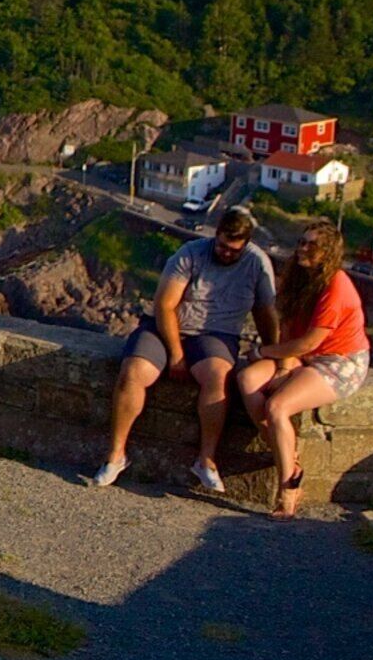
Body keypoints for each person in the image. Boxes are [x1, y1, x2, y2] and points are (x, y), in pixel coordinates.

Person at [91, 205, 278, 492]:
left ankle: (206, 459)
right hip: (168, 325)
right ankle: (116, 455)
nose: (226, 253)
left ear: (246, 245)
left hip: (216, 332)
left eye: (234, 250)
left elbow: (266, 312)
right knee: (133, 372)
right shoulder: (190, 254)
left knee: (218, 377)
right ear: (216, 236)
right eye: (223, 246)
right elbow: (165, 305)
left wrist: (273, 352)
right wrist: (176, 355)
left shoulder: (257, 263)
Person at [238, 219, 369, 518]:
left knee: (278, 406)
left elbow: (310, 342)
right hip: (304, 355)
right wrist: (282, 366)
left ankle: (289, 488)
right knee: (247, 379)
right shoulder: (295, 277)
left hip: (340, 360)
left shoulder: (336, 287)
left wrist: (263, 352)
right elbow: (285, 325)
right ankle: (288, 458)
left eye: (312, 245)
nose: (303, 248)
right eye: (302, 242)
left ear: (329, 253)